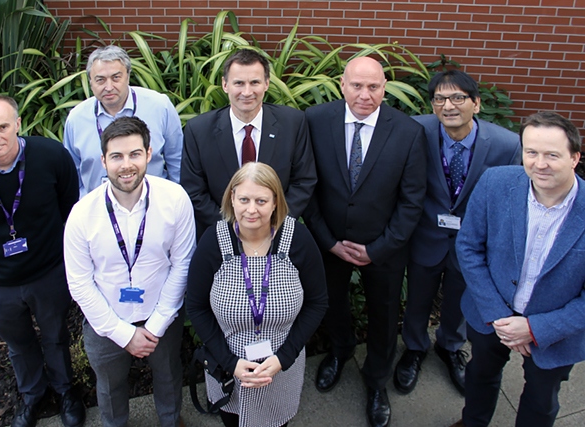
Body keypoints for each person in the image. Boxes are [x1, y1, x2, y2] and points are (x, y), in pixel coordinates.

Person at [303, 56, 427, 427]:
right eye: (357, 85)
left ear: (384, 88)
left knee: (385, 316)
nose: (365, 94)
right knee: (331, 304)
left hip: (384, 249)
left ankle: (376, 379)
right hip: (330, 244)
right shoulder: (315, 121)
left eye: (374, 87)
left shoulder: (408, 132)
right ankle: (340, 351)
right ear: (342, 84)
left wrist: (379, 248)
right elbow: (307, 187)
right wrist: (327, 241)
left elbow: (412, 201)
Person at [0, 95, 85, 427]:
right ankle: (32, 395)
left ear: (18, 124)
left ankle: (66, 391)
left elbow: (69, 205)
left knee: (55, 336)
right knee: (18, 343)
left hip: (48, 270)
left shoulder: (51, 157)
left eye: (3, 127)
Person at [452, 112, 585, 427]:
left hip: (556, 332)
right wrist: (499, 317)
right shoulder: (495, 183)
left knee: (541, 400)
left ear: (575, 158)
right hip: (489, 316)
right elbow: (469, 247)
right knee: (480, 376)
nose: (540, 164)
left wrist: (535, 328)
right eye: (531, 152)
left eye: (552, 155)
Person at [394, 70, 521, 396]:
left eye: (458, 98)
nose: (448, 105)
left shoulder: (506, 145)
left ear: (476, 104)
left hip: (473, 244)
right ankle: (415, 348)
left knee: (461, 300)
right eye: (440, 99)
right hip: (425, 235)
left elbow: (511, 200)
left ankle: (450, 347)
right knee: (418, 299)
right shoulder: (415, 131)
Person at [63, 116, 195, 427]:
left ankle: (170, 420)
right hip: (106, 321)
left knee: (168, 375)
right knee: (109, 386)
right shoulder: (82, 214)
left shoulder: (174, 199)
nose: (126, 165)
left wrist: (158, 322)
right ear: (103, 160)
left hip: (161, 315)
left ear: (149, 154)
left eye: (135, 154)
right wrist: (123, 333)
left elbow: (183, 263)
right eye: (117, 156)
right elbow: (79, 282)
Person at [186, 162, 328, 427]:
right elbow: (196, 306)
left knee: (277, 422)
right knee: (232, 419)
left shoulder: (298, 238)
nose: (251, 209)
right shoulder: (213, 241)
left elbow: (317, 302)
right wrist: (231, 363)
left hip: (281, 367)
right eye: (244, 199)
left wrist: (283, 358)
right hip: (228, 368)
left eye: (261, 200)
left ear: (276, 202)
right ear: (232, 198)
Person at [180, 48, 317, 239]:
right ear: (225, 85)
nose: (247, 92)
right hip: (220, 235)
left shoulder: (293, 123)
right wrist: (234, 228)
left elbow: (304, 181)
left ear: (266, 84)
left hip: (276, 233)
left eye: (254, 82)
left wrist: (271, 224)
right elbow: (194, 190)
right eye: (239, 83)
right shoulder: (198, 130)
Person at [63, 45, 182, 198]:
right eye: (100, 80)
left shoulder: (160, 107)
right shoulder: (76, 119)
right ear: (90, 82)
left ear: (128, 76)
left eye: (116, 78)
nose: (108, 87)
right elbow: (72, 173)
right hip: (98, 210)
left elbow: (177, 161)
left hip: (154, 204)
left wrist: (174, 200)